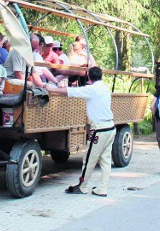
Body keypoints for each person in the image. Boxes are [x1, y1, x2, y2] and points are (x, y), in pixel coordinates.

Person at [47, 67, 116, 197]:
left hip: (99, 129)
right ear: (101, 76)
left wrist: (52, 89)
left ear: (89, 77)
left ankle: (83, 186)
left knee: (89, 159)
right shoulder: (105, 88)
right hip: (110, 127)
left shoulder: (92, 89)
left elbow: (70, 91)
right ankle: (103, 188)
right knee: (105, 160)